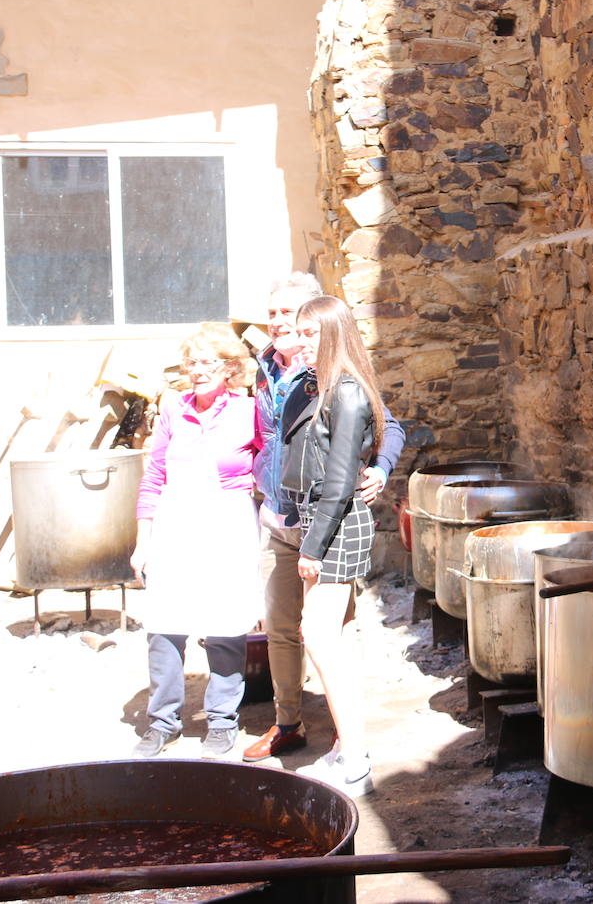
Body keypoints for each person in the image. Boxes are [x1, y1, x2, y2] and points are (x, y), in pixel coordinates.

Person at [241, 273, 404, 764]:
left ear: (318, 320)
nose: (279, 324)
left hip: (324, 519)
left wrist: (378, 467)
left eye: (292, 316)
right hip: (281, 514)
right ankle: (288, 723)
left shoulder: (338, 381)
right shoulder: (268, 371)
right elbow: (272, 441)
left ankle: (347, 740)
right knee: (283, 627)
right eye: (273, 315)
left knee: (328, 632)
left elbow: (383, 424)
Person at [278, 294, 393, 797]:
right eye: (296, 333)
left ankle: (356, 759)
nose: (299, 341)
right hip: (317, 518)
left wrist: (311, 548)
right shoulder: (316, 386)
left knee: (317, 635)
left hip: (335, 523)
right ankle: (349, 746)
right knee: (337, 637)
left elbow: (342, 480)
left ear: (333, 334)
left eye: (310, 333)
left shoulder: (346, 392)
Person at [129, 323, 262, 758]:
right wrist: (143, 540)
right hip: (176, 520)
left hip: (227, 521)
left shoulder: (249, 410)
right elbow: (154, 476)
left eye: (208, 362)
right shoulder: (172, 408)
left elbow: (270, 462)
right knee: (164, 624)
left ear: (229, 368)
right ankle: (162, 721)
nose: (198, 370)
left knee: (225, 623)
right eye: (192, 362)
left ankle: (222, 720)